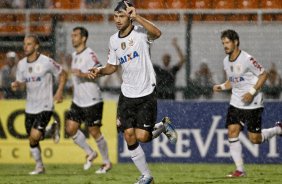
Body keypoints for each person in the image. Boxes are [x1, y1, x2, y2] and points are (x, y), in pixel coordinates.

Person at [88, 1, 178, 183]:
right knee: (129, 135)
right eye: (115, 16)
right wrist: (99, 70)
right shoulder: (113, 40)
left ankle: (162, 126)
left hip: (146, 92)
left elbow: (158, 33)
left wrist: (138, 17)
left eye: (122, 16)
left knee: (143, 137)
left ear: (129, 16)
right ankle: (147, 176)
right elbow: (112, 67)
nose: (118, 20)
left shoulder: (141, 33)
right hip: (127, 94)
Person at [213, 29, 282, 177]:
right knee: (232, 131)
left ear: (235, 42)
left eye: (227, 42)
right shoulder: (226, 61)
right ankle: (240, 170)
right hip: (236, 102)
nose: (224, 46)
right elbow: (232, 81)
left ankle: (277, 130)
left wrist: (251, 92)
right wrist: (222, 86)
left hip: (253, 102)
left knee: (255, 139)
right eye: (223, 43)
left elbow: (264, 75)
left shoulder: (247, 59)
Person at [11, 34, 67, 175]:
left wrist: (59, 92)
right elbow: (22, 84)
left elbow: (63, 73)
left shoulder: (46, 61)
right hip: (30, 106)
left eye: (29, 44)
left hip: (45, 105)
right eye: (25, 44)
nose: (25, 46)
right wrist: (17, 85)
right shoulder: (21, 64)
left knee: (35, 135)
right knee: (33, 138)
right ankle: (40, 166)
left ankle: (40, 164)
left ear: (36, 46)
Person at [65, 27, 112, 173]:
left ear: (84, 38)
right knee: (70, 128)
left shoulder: (90, 54)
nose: (72, 38)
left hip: (92, 100)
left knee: (94, 131)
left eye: (76, 35)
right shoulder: (74, 55)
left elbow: (99, 72)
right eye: (72, 35)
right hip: (78, 100)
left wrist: (83, 74)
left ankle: (106, 162)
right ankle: (90, 153)